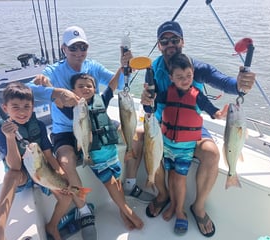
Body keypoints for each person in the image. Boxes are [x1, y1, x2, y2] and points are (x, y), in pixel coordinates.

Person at [138, 21, 256, 237]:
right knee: (142, 139)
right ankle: (162, 195)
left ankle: (198, 207)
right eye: (165, 40)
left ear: (182, 41)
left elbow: (224, 82)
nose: (170, 44)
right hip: (162, 124)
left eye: (175, 39)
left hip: (191, 126)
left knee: (212, 154)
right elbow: (148, 105)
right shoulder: (153, 69)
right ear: (159, 45)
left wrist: (241, 84)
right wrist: (146, 100)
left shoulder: (195, 67)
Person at [28, 25, 132, 239]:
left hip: (93, 122)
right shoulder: (53, 71)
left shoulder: (92, 66)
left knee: (137, 136)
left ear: (87, 48)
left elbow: (119, 83)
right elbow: (30, 90)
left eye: (82, 47)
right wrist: (53, 90)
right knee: (66, 162)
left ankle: (129, 186)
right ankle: (84, 211)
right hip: (65, 130)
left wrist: (124, 66)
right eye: (73, 48)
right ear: (63, 48)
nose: (78, 52)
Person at [147, 53, 227, 235]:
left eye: (189, 76)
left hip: (185, 148)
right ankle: (173, 205)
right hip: (167, 145)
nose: (185, 80)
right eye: (180, 77)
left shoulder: (197, 95)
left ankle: (180, 211)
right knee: (171, 176)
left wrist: (218, 114)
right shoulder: (167, 93)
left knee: (179, 180)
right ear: (171, 78)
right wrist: (148, 96)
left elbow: (210, 109)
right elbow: (153, 101)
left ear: (193, 74)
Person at [61, 71, 144, 230]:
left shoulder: (102, 100)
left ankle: (121, 211)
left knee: (117, 182)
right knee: (110, 183)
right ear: (72, 91)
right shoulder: (72, 108)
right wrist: (48, 87)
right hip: (95, 155)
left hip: (111, 151)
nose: (86, 88)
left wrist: (122, 68)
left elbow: (112, 86)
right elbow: (58, 101)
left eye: (89, 86)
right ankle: (127, 211)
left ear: (94, 88)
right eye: (80, 86)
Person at [0, 82, 68, 240]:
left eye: (27, 106)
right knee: (11, 175)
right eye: (15, 107)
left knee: (66, 197)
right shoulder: (1, 132)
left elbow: (48, 155)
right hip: (22, 175)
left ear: (33, 107)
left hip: (41, 172)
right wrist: (10, 138)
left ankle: (52, 225)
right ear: (5, 108)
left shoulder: (38, 125)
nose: (22, 111)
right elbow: (15, 166)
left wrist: (61, 175)